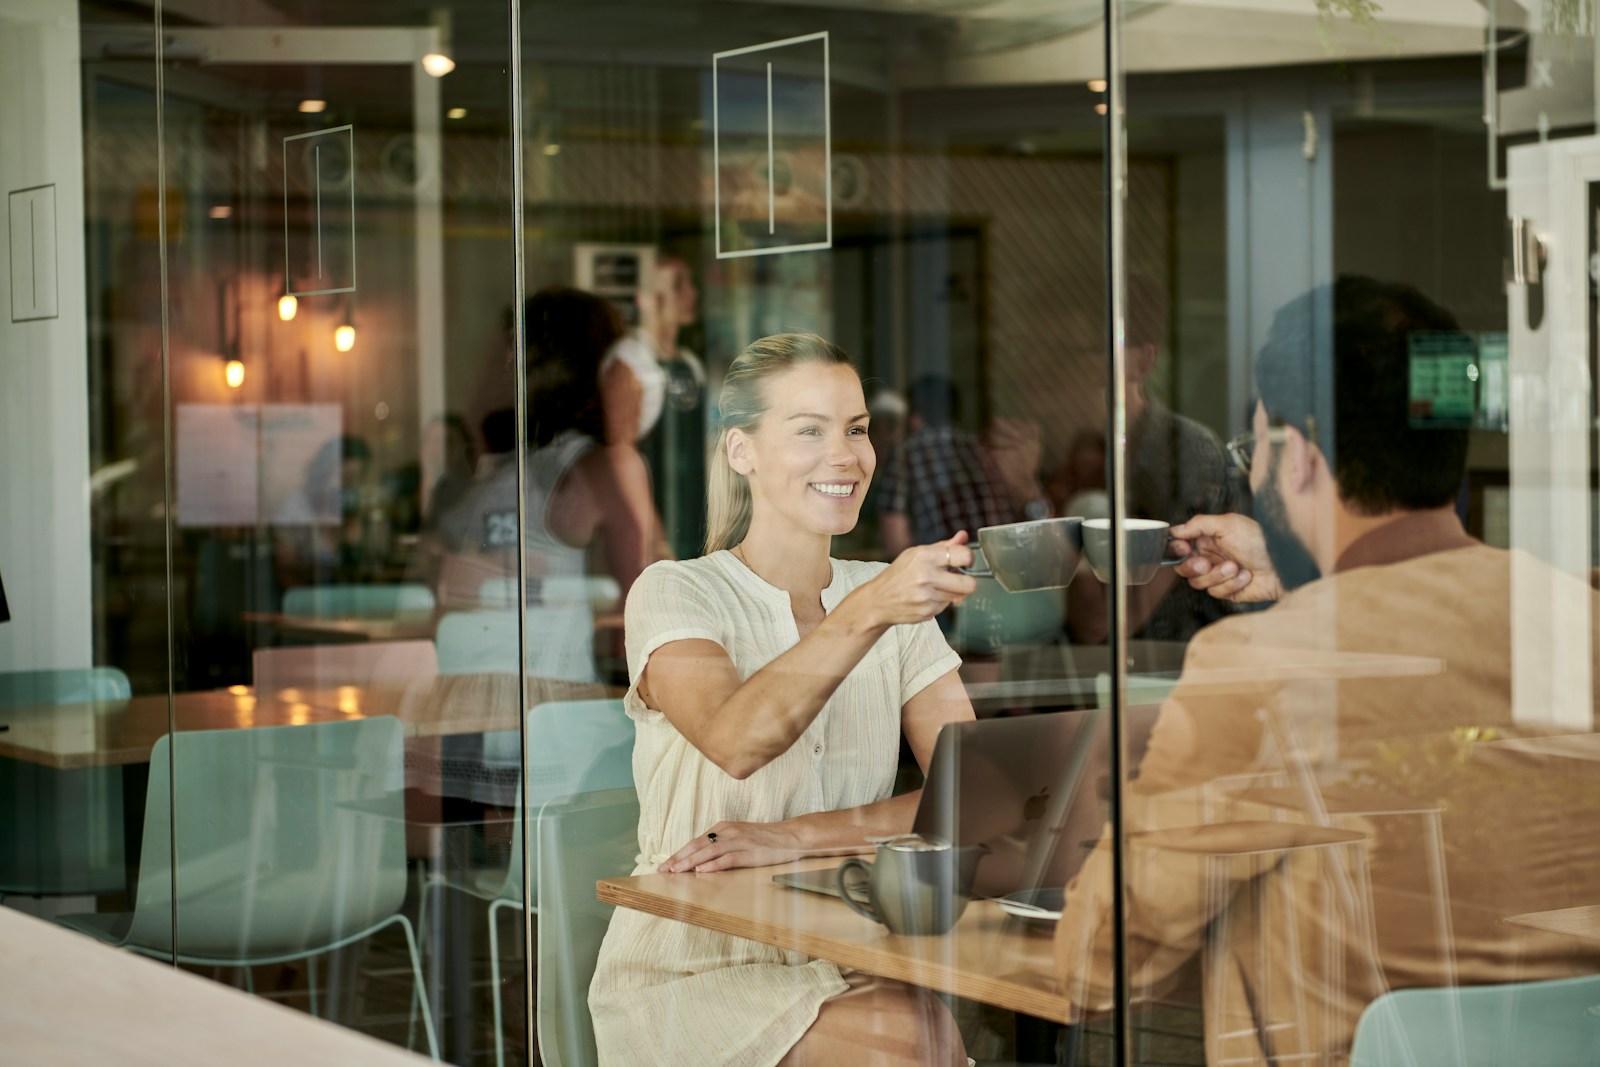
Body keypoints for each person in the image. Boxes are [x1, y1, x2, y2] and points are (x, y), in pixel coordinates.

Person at [1053, 276, 1600, 1062]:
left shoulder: (1260, 666)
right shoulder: (1574, 619)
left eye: (1256, 448)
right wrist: (1307, 582)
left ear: (1300, 456)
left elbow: (1096, 960)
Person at [589, 333, 978, 1066]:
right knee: (912, 1038)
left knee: (923, 1030)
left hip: (847, 950)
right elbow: (738, 739)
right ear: (741, 451)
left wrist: (797, 835)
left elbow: (967, 797)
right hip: (691, 968)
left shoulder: (892, 600)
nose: (847, 455)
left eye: (857, 429)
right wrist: (870, 607)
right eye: (809, 430)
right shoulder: (676, 592)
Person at [1064, 276, 1243, 646]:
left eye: (1088, 349)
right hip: (1090, 672)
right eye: (1063, 349)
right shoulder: (1068, 446)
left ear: (1143, 363)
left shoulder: (1186, 452)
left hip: (1176, 672)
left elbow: (1105, 621)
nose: (1070, 364)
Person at [601, 254, 710, 559]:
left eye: (690, 284)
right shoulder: (630, 362)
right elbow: (620, 457)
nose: (692, 293)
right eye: (678, 285)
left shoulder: (690, 364)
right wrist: (653, 536)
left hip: (693, 522)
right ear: (647, 300)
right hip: (650, 532)